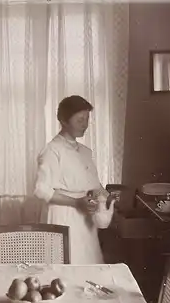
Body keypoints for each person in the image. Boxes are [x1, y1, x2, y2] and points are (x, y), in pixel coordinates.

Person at [34, 95, 114, 264]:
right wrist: (76, 203)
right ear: (64, 120)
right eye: (80, 120)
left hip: (85, 219)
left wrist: (108, 197)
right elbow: (42, 190)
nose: (84, 124)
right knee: (65, 267)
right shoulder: (52, 151)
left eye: (86, 119)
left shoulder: (85, 152)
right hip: (62, 217)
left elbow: (94, 184)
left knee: (88, 265)